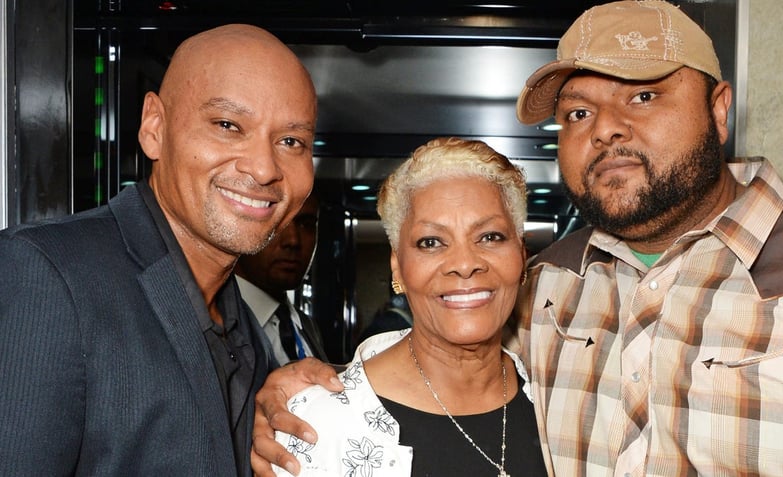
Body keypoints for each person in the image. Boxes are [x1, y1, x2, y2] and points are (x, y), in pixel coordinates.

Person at [252, 1, 783, 475]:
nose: (608, 128)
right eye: (579, 113)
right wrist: (306, 385)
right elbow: (449, 344)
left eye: (644, 94)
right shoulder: (546, 287)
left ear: (719, 111)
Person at [0, 24, 317, 476]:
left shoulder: (244, 326)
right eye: (228, 125)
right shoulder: (45, 275)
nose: (265, 168)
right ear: (155, 127)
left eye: (291, 142)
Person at [270, 137, 547, 476]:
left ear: (521, 255)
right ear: (398, 267)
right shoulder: (317, 425)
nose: (464, 263)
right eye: (431, 242)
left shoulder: (556, 403)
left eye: (489, 237)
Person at [236, 190, 329, 367]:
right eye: (276, 223)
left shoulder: (306, 326)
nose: (293, 240)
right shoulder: (215, 323)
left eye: (306, 224)